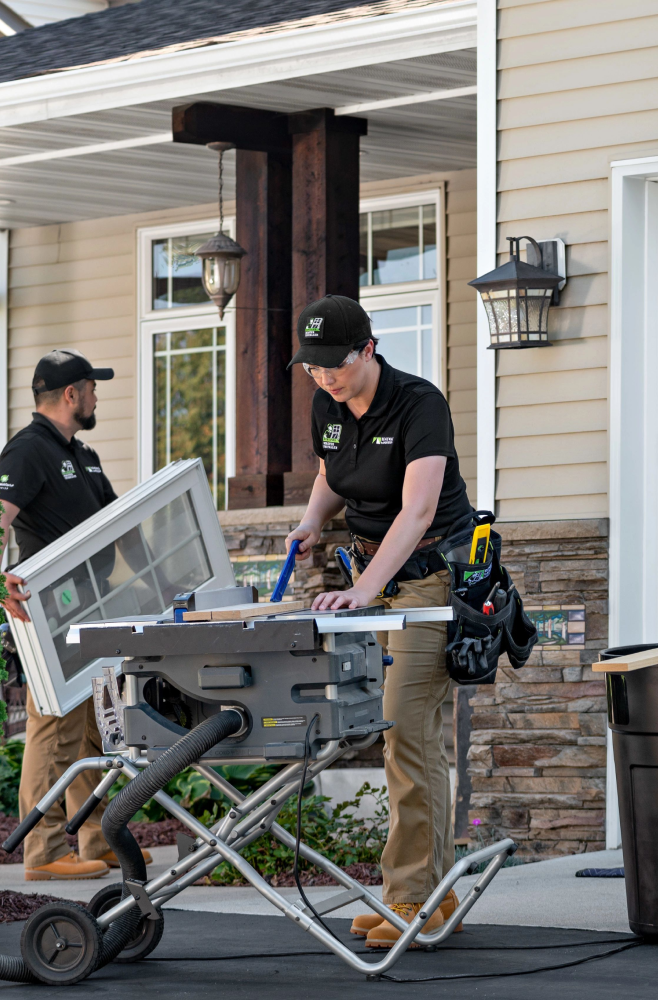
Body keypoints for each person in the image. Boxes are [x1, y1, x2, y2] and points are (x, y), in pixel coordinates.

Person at [284, 295, 473, 948]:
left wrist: (363, 590)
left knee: (406, 731)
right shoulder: (327, 405)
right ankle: (431, 895)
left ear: (368, 349)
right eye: (312, 368)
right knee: (408, 735)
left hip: (430, 578)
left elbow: (418, 510)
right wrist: (312, 522)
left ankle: (411, 898)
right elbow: (331, 474)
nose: (323, 378)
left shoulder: (420, 403)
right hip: (374, 575)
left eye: (334, 365)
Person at [0, 350, 150, 880]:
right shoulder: (28, 450)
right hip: (49, 611)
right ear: (70, 394)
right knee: (54, 726)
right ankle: (42, 853)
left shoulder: (83, 455)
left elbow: (119, 525)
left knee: (95, 728)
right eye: (92, 387)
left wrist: (165, 586)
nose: (96, 396)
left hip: (94, 608)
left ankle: (96, 840)